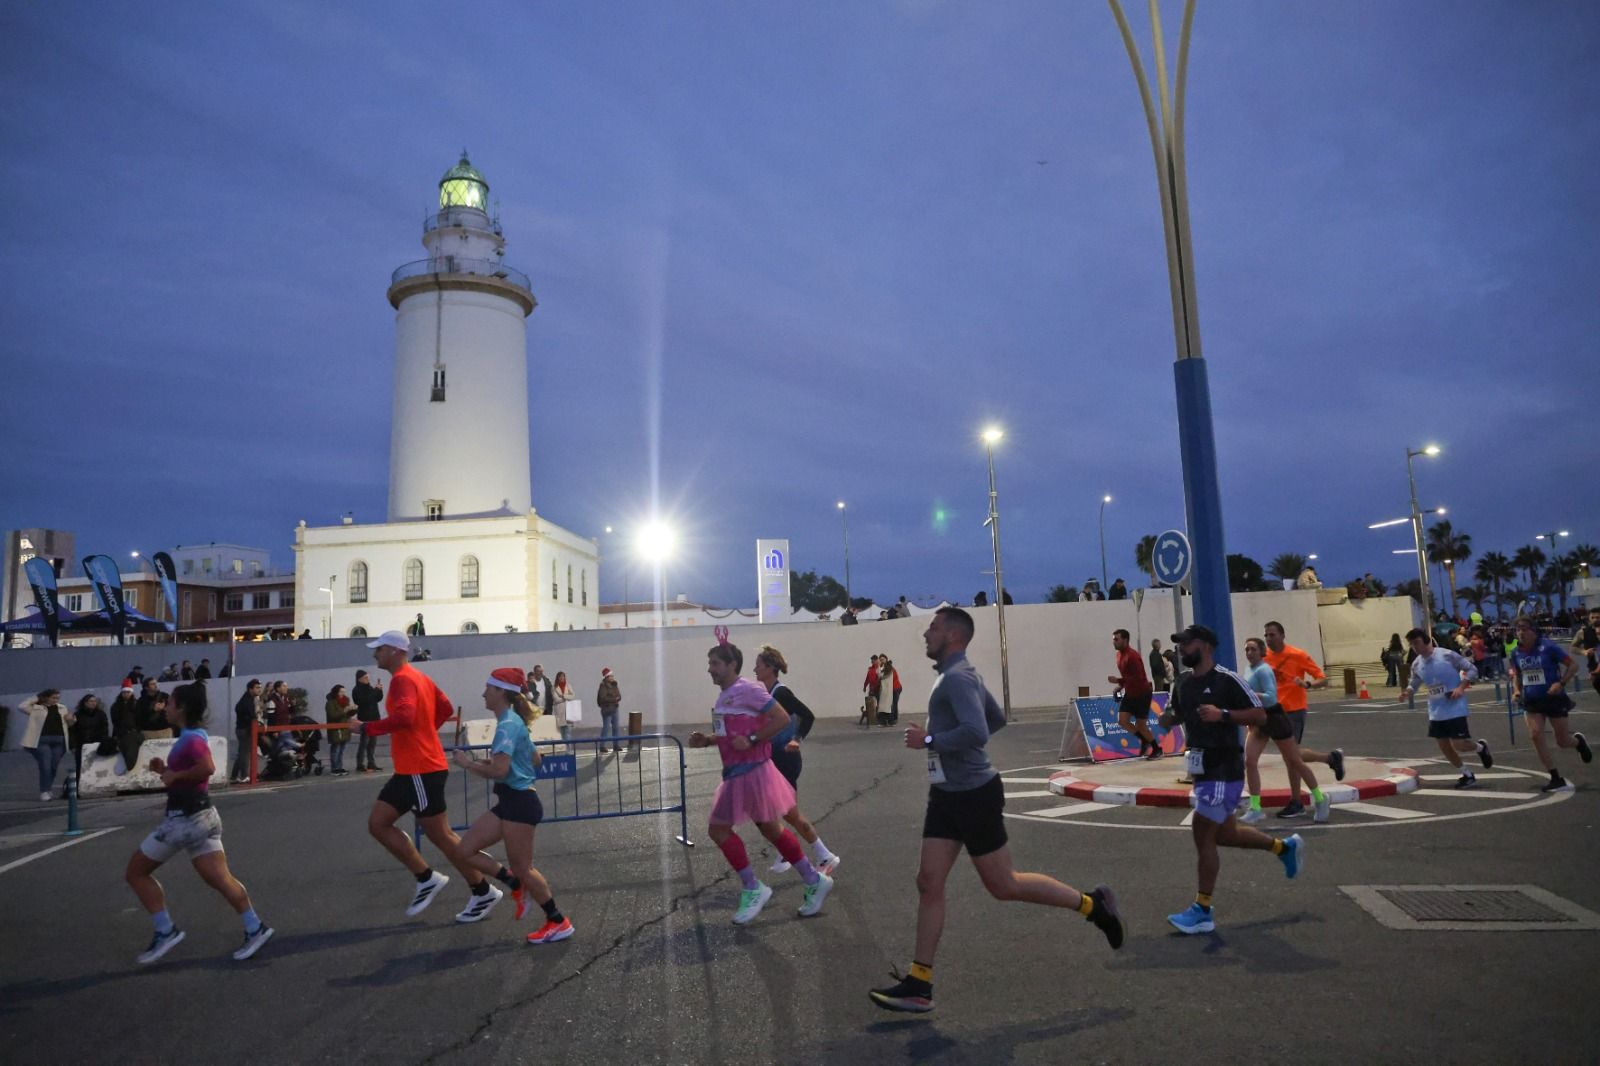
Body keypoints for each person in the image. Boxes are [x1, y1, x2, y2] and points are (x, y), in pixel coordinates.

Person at [870, 608, 1123, 1013]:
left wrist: (930, 738)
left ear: (952, 635)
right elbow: (996, 719)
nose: (926, 633)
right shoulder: (958, 673)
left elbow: (975, 731)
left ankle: (1094, 905)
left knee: (1004, 885)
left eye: (933, 627)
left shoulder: (958, 677)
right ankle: (920, 983)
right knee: (928, 881)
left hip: (973, 795)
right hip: (947, 795)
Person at [362, 630, 518, 921]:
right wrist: (426, 731)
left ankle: (479, 886)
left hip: (420, 768)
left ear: (395, 652)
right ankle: (449, 882)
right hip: (415, 768)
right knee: (379, 823)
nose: (375, 654)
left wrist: (367, 728)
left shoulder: (401, 680)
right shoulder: (420, 677)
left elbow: (406, 717)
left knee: (441, 836)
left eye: (380, 649)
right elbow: (444, 707)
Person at [1158, 625, 1304, 935]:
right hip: (1201, 767)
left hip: (1225, 767)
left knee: (1202, 831)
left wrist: (1223, 714)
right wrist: (1168, 719)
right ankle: (1284, 848)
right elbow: (1178, 713)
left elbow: (1261, 715)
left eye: (1187, 644)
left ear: (1206, 646)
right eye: (1180, 645)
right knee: (1224, 834)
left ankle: (1202, 909)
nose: (1182, 649)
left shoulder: (1228, 680)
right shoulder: (1182, 682)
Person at [124, 682, 275, 965]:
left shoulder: (190, 739)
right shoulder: (194, 735)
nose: (165, 708)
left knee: (136, 872)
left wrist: (174, 777)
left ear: (180, 708)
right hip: (202, 815)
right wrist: (166, 771)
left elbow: (207, 768)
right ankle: (255, 927)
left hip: (184, 819)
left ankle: (165, 930)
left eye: (169, 704)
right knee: (220, 879)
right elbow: (192, 775)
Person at [688, 638, 834, 925]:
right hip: (736, 774)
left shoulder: (749, 689)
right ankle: (813, 879)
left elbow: (781, 718)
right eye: (709, 664)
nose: (710, 670)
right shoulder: (722, 699)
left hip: (752, 771)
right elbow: (728, 736)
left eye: (715, 664)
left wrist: (754, 739)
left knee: (719, 830)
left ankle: (753, 887)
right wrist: (706, 740)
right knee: (772, 830)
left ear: (732, 665)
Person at [451, 668, 574, 944]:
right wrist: (498, 764)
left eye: (488, 688)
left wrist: (468, 763)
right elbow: (536, 760)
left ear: (501, 693)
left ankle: (558, 921)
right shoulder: (513, 721)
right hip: (510, 801)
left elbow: (500, 770)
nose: (483, 693)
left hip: (519, 804)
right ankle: (514, 885)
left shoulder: (508, 725)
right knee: (464, 850)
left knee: (525, 868)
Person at [754, 644, 841, 877]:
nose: (754, 669)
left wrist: (797, 738)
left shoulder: (781, 693)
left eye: (758, 665)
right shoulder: (767, 693)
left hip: (787, 759)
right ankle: (789, 851)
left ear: (770, 668)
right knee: (773, 811)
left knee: (788, 813)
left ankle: (823, 855)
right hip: (774, 759)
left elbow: (808, 715)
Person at [1262, 621, 1345, 818]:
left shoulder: (1297, 655)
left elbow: (1322, 678)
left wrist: (1307, 684)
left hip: (1293, 710)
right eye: (1266, 635)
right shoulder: (1264, 658)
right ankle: (1330, 758)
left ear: (1282, 635)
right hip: (1273, 712)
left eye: (1272, 634)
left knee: (1291, 758)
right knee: (1292, 756)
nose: (1268, 638)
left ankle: (1296, 801)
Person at [1239, 637, 1326, 823]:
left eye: (1253, 649)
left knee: (1295, 761)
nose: (1249, 653)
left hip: (1275, 718)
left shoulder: (1264, 670)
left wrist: (1249, 696)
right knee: (1250, 761)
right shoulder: (1249, 669)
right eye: (1246, 649)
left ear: (1262, 652)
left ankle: (1320, 798)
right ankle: (1255, 807)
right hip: (1259, 719)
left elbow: (1271, 697)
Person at [1399, 628, 1493, 788]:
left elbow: (1472, 669)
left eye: (1416, 643)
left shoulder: (1447, 655)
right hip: (1436, 710)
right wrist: (1407, 692)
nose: (1414, 647)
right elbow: (1415, 681)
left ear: (1426, 640)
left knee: (1459, 744)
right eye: (1411, 644)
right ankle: (1467, 774)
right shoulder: (1416, 663)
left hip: (1455, 706)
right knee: (1444, 746)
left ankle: (1480, 747)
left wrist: (1461, 688)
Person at [1507, 618, 1590, 792]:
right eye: (1518, 630)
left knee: (1562, 741)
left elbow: (1573, 666)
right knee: (1536, 735)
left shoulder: (1548, 647)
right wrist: (1516, 690)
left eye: (1524, 629)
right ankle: (1555, 777)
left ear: (1533, 630)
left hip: (1554, 698)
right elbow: (1517, 674)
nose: (1520, 633)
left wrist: (1561, 683)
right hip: (1532, 700)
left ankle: (1578, 743)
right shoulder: (1516, 653)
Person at [1109, 629, 1158, 758]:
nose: (1114, 642)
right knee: (1122, 720)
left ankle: (1156, 749)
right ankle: (1144, 740)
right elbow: (1128, 676)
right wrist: (1120, 686)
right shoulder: (1119, 655)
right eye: (1113, 639)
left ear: (1125, 640)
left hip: (1142, 693)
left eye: (1116, 639)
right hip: (1130, 692)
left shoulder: (1133, 656)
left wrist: (1119, 681)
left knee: (1141, 725)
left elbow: (1138, 677)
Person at [21, 689, 72, 801]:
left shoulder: (62, 708)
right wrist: (37, 698)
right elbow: (22, 706)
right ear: (46, 697)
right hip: (42, 741)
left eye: (57, 698)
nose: (55, 700)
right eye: (53, 697)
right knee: (45, 765)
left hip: (59, 740)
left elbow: (69, 723)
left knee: (53, 766)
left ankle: (48, 788)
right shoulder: (36, 708)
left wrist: (71, 719)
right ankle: (44, 791)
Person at [70, 693, 111, 779]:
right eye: (91, 701)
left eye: (95, 701)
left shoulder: (101, 714)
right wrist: (73, 745)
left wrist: (103, 741)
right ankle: (80, 786)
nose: (93, 703)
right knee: (81, 766)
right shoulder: (78, 714)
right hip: (81, 744)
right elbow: (73, 731)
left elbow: (105, 728)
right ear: (85, 703)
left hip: (97, 743)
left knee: (99, 765)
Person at [231, 679, 263, 783]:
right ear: (250, 689)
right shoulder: (247, 701)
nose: (259, 690)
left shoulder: (248, 699)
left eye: (260, 687)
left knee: (242, 753)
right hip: (245, 730)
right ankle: (244, 776)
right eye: (257, 688)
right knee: (245, 754)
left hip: (242, 729)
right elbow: (250, 716)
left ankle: (234, 775)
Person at [352, 669, 384, 772]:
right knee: (364, 742)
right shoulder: (357, 690)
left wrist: (379, 691)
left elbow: (376, 699)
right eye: (365, 678)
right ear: (359, 679)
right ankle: (360, 763)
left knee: (373, 743)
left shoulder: (370, 688)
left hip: (374, 718)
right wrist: (375, 691)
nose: (367, 679)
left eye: (368, 677)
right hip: (365, 719)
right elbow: (364, 700)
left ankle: (371, 763)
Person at [324, 684, 354, 776]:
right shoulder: (330, 703)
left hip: (344, 728)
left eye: (344, 692)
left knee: (342, 750)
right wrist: (344, 711)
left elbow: (348, 715)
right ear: (336, 692)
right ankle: (334, 768)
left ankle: (340, 767)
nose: (343, 694)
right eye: (341, 692)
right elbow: (333, 715)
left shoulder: (345, 701)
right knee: (335, 749)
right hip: (335, 729)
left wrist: (353, 709)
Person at [596, 667, 621, 753]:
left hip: (615, 709)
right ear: (607, 677)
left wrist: (618, 698)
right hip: (607, 710)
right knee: (606, 728)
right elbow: (603, 698)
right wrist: (614, 699)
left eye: (612, 676)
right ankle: (602, 746)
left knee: (616, 728)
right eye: (611, 676)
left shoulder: (615, 685)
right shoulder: (603, 686)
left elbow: (618, 695)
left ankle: (616, 745)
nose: (613, 677)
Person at [552, 670, 576, 746]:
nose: (562, 678)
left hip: (568, 711)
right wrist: (565, 698)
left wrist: (564, 696)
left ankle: (569, 751)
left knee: (568, 732)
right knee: (562, 733)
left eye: (563, 676)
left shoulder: (568, 686)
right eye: (560, 677)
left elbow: (572, 696)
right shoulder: (554, 688)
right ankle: (562, 749)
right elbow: (556, 699)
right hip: (560, 711)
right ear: (557, 678)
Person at [882, 655, 903, 724]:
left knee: (893, 704)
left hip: (896, 688)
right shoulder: (886, 669)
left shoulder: (891, 670)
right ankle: (893, 718)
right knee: (892, 704)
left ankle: (893, 719)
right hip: (893, 688)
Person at [863, 654, 883, 725]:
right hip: (872, 689)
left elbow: (880, 679)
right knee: (870, 704)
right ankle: (871, 718)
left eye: (873, 660)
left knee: (879, 704)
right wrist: (865, 686)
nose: (872, 662)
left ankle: (879, 718)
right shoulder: (870, 669)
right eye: (871, 660)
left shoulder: (880, 669)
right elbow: (867, 678)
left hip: (878, 689)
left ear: (876, 660)